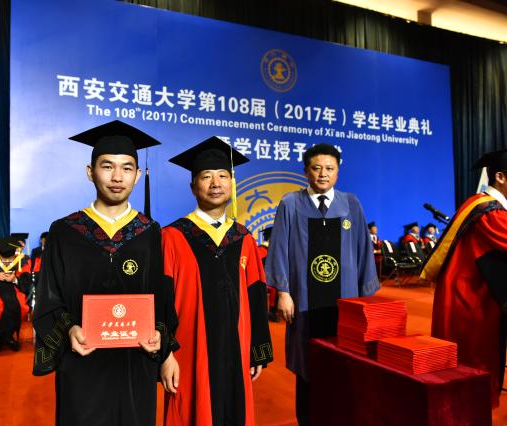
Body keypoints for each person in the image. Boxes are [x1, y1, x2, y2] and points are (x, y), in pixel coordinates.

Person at [32, 120, 178, 425]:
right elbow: (48, 298)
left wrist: (162, 343)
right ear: (90, 172)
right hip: (82, 362)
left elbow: (163, 299)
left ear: (138, 175)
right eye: (107, 166)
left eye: (127, 168)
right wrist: (69, 330)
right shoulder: (65, 231)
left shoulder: (150, 233)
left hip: (135, 363)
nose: (117, 177)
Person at [161, 137, 273, 426]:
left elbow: (256, 295)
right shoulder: (173, 236)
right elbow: (161, 301)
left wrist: (257, 350)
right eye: (206, 176)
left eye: (223, 176)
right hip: (188, 352)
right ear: (193, 186)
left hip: (237, 348)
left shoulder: (243, 238)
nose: (215, 183)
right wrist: (165, 354)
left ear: (231, 184)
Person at [264, 143, 379, 426]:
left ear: (338, 171)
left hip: (345, 300)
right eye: (316, 168)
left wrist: (365, 297)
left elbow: (363, 250)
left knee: (344, 361)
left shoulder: (350, 203)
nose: (323, 174)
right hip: (304, 300)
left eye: (329, 168)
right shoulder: (291, 203)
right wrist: (283, 292)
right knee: (308, 363)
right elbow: (279, 249)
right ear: (306, 171)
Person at [422, 149, 507, 408]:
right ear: (501, 177)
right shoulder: (489, 212)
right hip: (471, 304)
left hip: (473, 297)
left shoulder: (482, 206)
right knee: (470, 370)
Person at [258, 226, 279, 322]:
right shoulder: (261, 250)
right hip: (262, 282)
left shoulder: (271, 250)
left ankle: (272, 311)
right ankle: (271, 312)